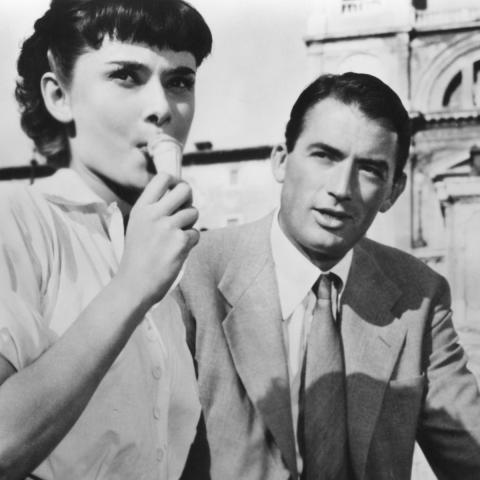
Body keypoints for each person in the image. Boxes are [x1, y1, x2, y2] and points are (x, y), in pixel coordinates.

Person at [175, 72, 480, 479]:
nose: (341, 187)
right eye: (324, 155)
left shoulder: (418, 295)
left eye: (370, 169)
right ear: (281, 160)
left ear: (393, 191)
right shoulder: (193, 274)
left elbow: (470, 451)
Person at [0, 0, 212, 479]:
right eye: (126, 76)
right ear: (59, 97)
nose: (162, 108)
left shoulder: (163, 249)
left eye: (179, 81)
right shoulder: (18, 220)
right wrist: (132, 286)